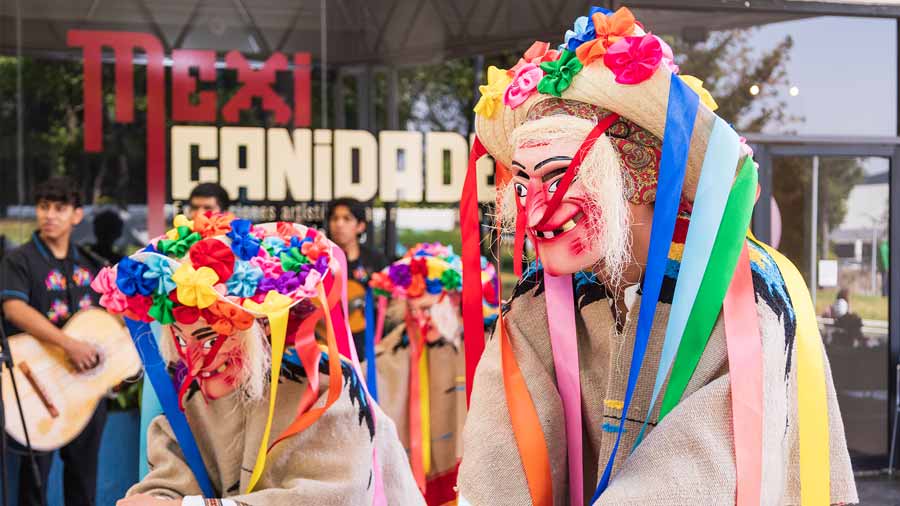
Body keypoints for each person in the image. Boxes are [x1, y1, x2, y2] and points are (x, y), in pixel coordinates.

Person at [458, 6, 856, 505]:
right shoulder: (538, 302)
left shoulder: (747, 294)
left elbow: (702, 470)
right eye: (521, 182)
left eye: (558, 178)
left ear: (641, 176)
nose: (534, 208)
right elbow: (498, 460)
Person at [94, 214, 422, 505]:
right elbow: (170, 480)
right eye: (181, 339)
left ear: (259, 327)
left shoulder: (322, 384)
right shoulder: (190, 394)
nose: (194, 360)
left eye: (210, 337)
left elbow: (335, 496)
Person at [1, 176, 106, 506]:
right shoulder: (18, 260)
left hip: (85, 388)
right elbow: (14, 308)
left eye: (60, 208)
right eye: (44, 207)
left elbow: (110, 320)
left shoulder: (92, 264)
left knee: (83, 483)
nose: (49, 215)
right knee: (33, 487)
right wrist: (68, 344)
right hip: (36, 387)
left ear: (77, 215)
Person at [368, 243, 497, 505]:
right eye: (412, 310)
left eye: (427, 308)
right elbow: (373, 372)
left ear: (453, 299)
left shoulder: (484, 341)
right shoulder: (397, 345)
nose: (419, 318)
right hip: (418, 475)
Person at [326, 197, 388, 358]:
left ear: (360, 226)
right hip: (329, 343)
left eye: (347, 218)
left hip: (368, 346)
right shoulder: (321, 259)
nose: (339, 224)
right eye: (334, 218)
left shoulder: (376, 260)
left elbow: (387, 303)